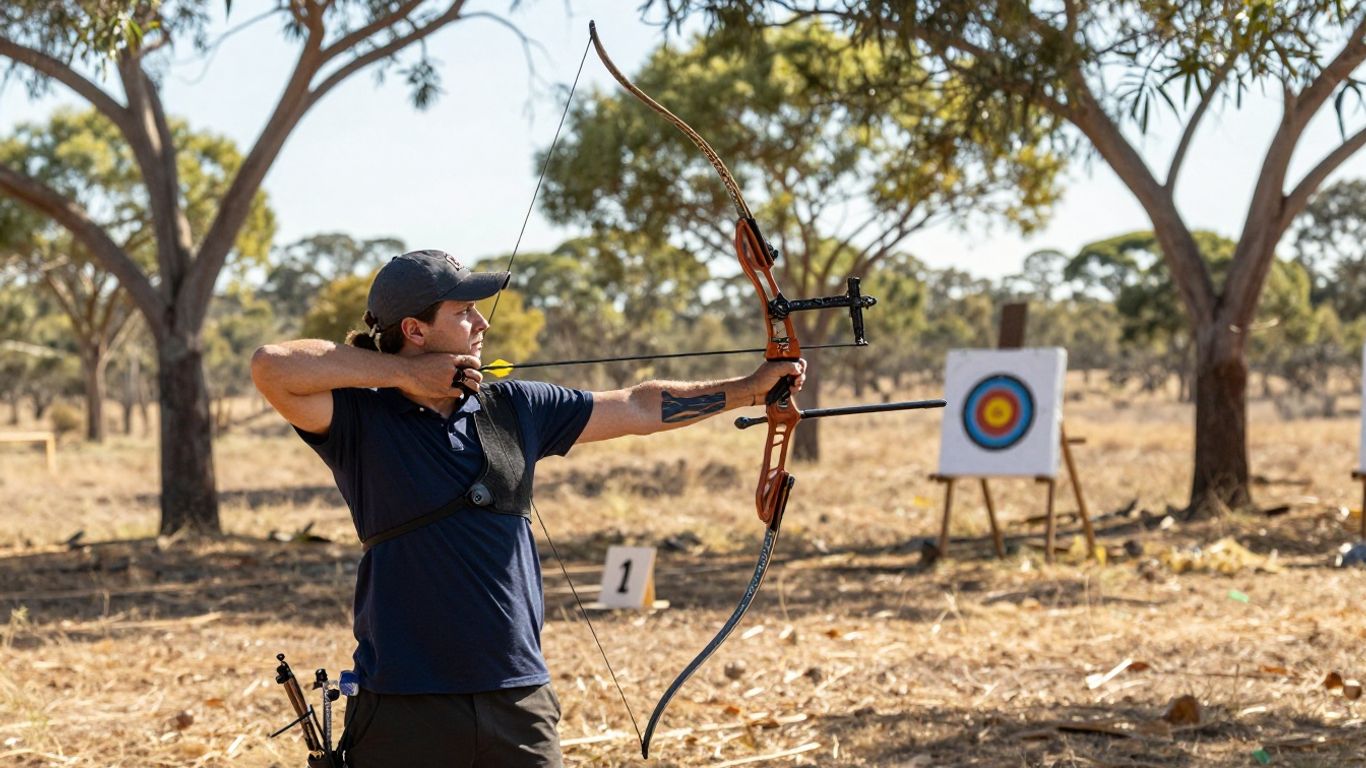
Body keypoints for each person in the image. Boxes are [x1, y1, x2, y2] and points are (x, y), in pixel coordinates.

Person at [250, 249, 805, 768]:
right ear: (415, 331)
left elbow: (637, 405)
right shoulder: (357, 419)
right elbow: (271, 365)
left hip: (517, 697)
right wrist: (404, 374)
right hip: (403, 699)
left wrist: (752, 389)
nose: (482, 324)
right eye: (465, 311)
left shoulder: (515, 406)